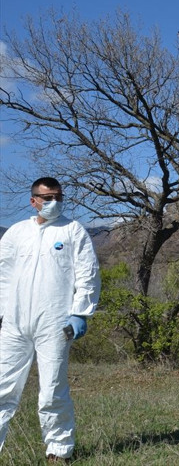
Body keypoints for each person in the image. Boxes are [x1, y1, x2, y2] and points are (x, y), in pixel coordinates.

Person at [0, 177, 101, 463]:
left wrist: (80, 312)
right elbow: (3, 274)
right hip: (14, 324)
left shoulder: (72, 231)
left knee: (52, 390)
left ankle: (58, 450)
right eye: (47, 198)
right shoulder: (16, 233)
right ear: (33, 200)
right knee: (2, 388)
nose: (53, 203)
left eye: (58, 197)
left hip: (55, 324)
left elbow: (87, 273)